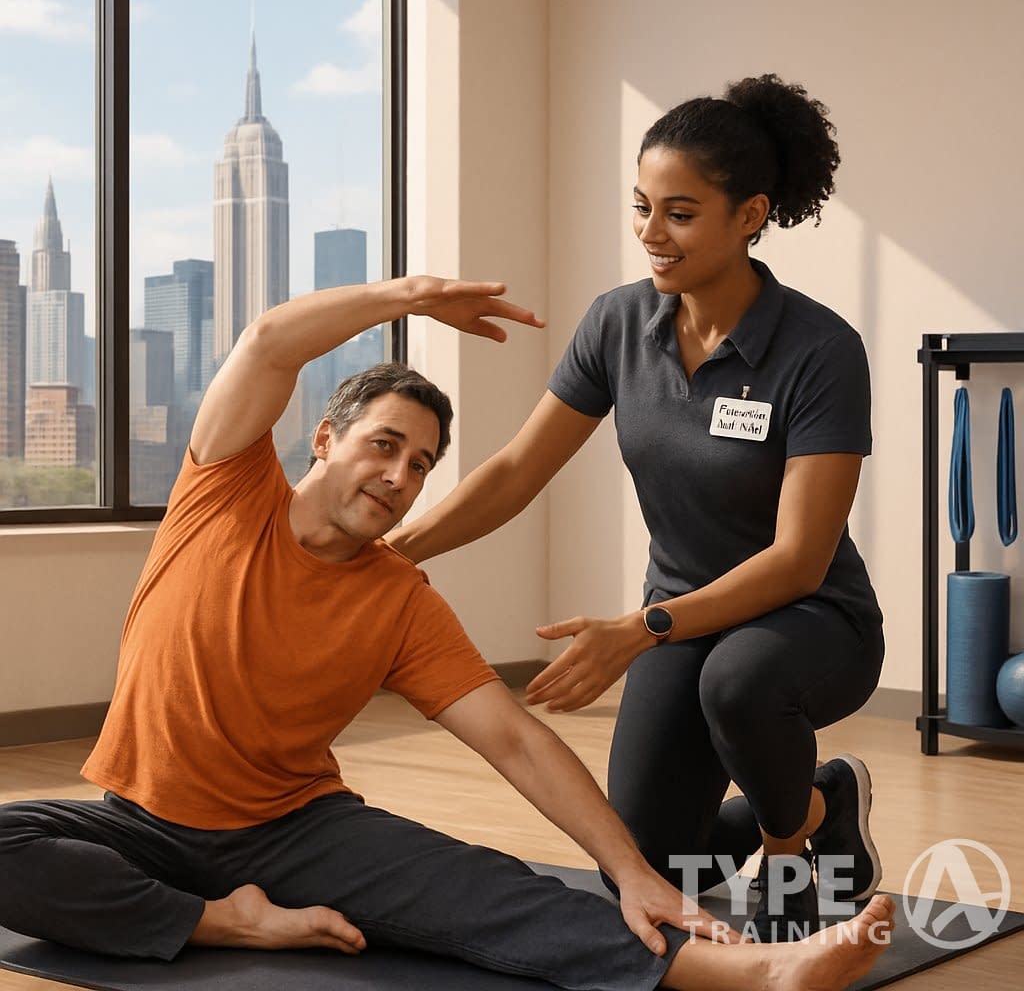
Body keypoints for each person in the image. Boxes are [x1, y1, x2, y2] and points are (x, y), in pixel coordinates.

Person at [0, 275, 893, 989]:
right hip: (139, 820)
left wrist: (627, 872)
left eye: (420, 464)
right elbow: (269, 341)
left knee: (495, 894)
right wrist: (416, 296)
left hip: (292, 829)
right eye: (383, 445)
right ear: (322, 437)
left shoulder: (400, 600)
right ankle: (222, 918)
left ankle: (759, 969)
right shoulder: (225, 493)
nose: (398, 475)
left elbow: (512, 739)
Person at [388, 75, 886, 943]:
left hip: (808, 620)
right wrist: (397, 550)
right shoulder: (620, 324)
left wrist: (640, 628)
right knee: (652, 866)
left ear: (750, 215)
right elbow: (515, 470)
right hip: (678, 623)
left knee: (741, 682)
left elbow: (800, 558)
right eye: (641, 207)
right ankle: (822, 801)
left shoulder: (820, 350)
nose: (651, 235)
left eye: (681, 213)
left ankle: (789, 848)